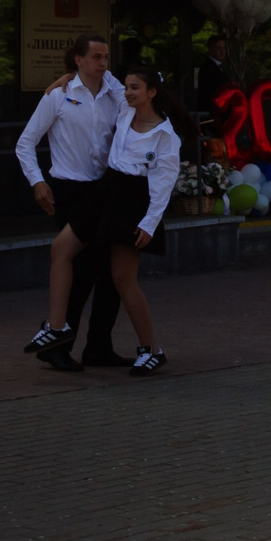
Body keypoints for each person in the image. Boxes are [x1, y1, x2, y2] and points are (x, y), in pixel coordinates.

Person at [17, 35, 128, 371]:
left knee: (114, 272)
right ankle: (57, 344)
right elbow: (25, 142)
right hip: (71, 191)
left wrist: (103, 78)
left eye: (106, 57)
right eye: (96, 57)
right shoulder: (59, 96)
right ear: (78, 59)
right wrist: (37, 181)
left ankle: (98, 346)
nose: (103, 63)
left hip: (104, 190)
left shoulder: (114, 95)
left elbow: (134, 97)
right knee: (82, 270)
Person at [95, 67, 183, 375]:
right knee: (101, 269)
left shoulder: (165, 135)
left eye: (136, 88)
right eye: (128, 87)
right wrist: (62, 80)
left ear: (152, 92)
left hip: (135, 202)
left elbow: (163, 184)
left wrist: (149, 223)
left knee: (123, 277)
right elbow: (103, 76)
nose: (129, 92)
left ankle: (151, 348)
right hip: (110, 193)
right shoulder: (124, 111)